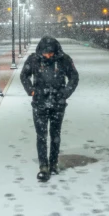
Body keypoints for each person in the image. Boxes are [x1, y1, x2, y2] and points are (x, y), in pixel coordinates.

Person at [20, 35, 79, 182]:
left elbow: (74, 77)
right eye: (45, 53)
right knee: (41, 135)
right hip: (39, 103)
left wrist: (65, 93)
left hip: (58, 104)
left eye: (50, 52)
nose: (48, 55)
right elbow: (24, 75)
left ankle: (53, 163)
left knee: (55, 134)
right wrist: (31, 90)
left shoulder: (64, 59)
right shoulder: (33, 59)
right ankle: (43, 166)